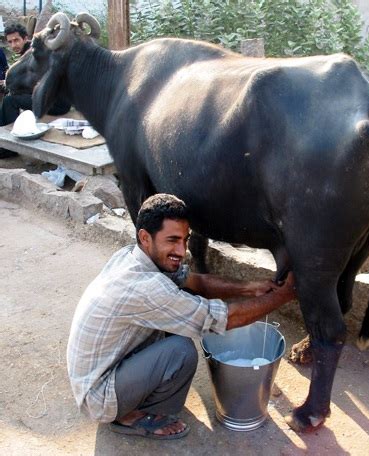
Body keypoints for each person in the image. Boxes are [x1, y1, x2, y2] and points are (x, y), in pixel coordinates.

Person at [67, 193, 297, 440]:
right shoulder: (146, 287)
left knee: (177, 323)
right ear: (145, 237)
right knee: (181, 350)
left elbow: (196, 282)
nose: (181, 250)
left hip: (96, 375)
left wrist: (250, 287)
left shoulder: (132, 256)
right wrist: (285, 295)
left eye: (185, 240)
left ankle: (134, 396)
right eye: (173, 240)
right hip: (98, 397)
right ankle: (131, 416)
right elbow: (224, 319)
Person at [0, 22, 71, 158]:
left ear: (25, 38)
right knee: (12, 96)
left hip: (56, 103)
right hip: (50, 98)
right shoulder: (31, 52)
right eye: (10, 42)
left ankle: (9, 148)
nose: (14, 45)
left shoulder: (35, 54)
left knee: (10, 101)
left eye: (16, 40)